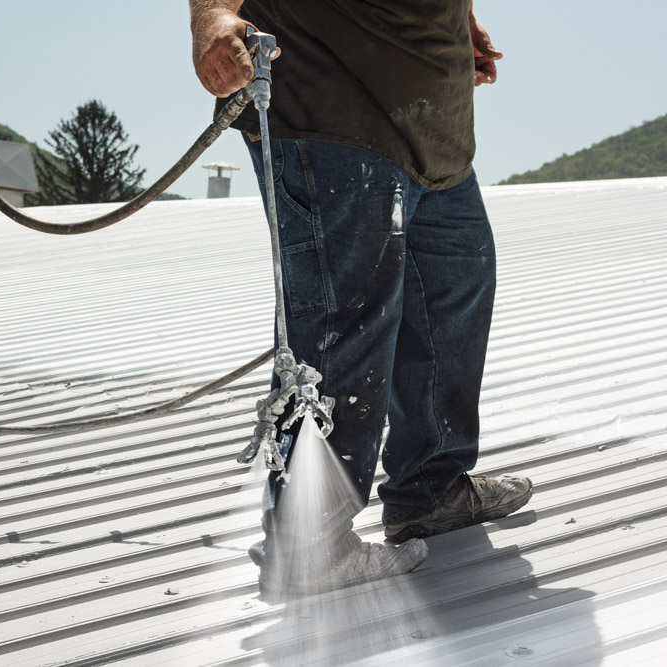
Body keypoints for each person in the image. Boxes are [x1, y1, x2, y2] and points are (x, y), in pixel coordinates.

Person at [188, 0, 533, 597]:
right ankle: (307, 544)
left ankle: (429, 489)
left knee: (454, 300)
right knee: (341, 320)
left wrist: (460, 20)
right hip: (330, 106)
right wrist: (211, 18)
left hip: (434, 122)